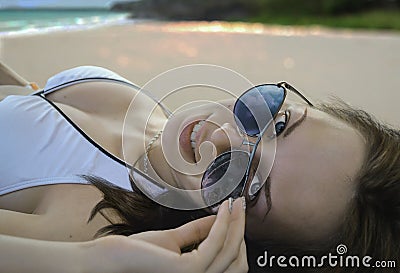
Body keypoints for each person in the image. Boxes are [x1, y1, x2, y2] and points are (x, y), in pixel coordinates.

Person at [1, 63, 399, 273]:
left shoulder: (91, 224)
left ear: (235, 236)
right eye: (276, 121)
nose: (223, 135)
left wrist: (87, 263)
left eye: (247, 180)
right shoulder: (162, 120)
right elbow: (23, 96)